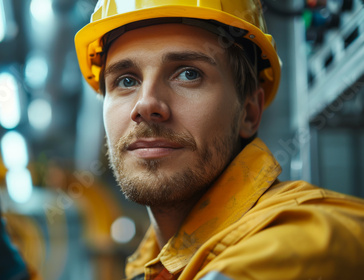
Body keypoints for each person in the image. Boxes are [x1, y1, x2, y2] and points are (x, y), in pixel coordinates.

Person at [75, 1, 364, 279]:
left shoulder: (305, 241)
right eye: (126, 80)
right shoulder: (158, 263)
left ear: (249, 112)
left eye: (188, 74)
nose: (146, 105)